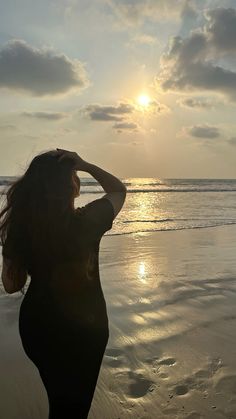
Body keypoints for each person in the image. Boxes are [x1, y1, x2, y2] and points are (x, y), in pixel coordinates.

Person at [0, 148, 126, 419]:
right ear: (72, 186)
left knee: (60, 399)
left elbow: (11, 284)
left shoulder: (21, 230)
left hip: (38, 327)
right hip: (85, 329)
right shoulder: (88, 221)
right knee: (73, 408)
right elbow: (118, 191)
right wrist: (86, 164)